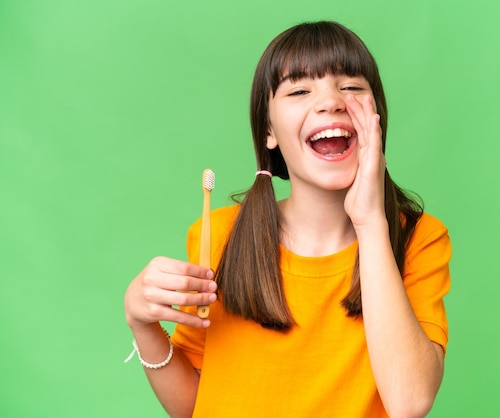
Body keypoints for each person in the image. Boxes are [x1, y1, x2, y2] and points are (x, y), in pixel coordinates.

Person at [124, 20, 451, 418]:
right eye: (299, 90)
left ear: (376, 119)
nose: (331, 101)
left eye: (351, 87)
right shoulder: (220, 236)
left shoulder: (419, 239)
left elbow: (409, 402)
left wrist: (369, 224)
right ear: (268, 131)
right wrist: (142, 325)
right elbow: (193, 404)